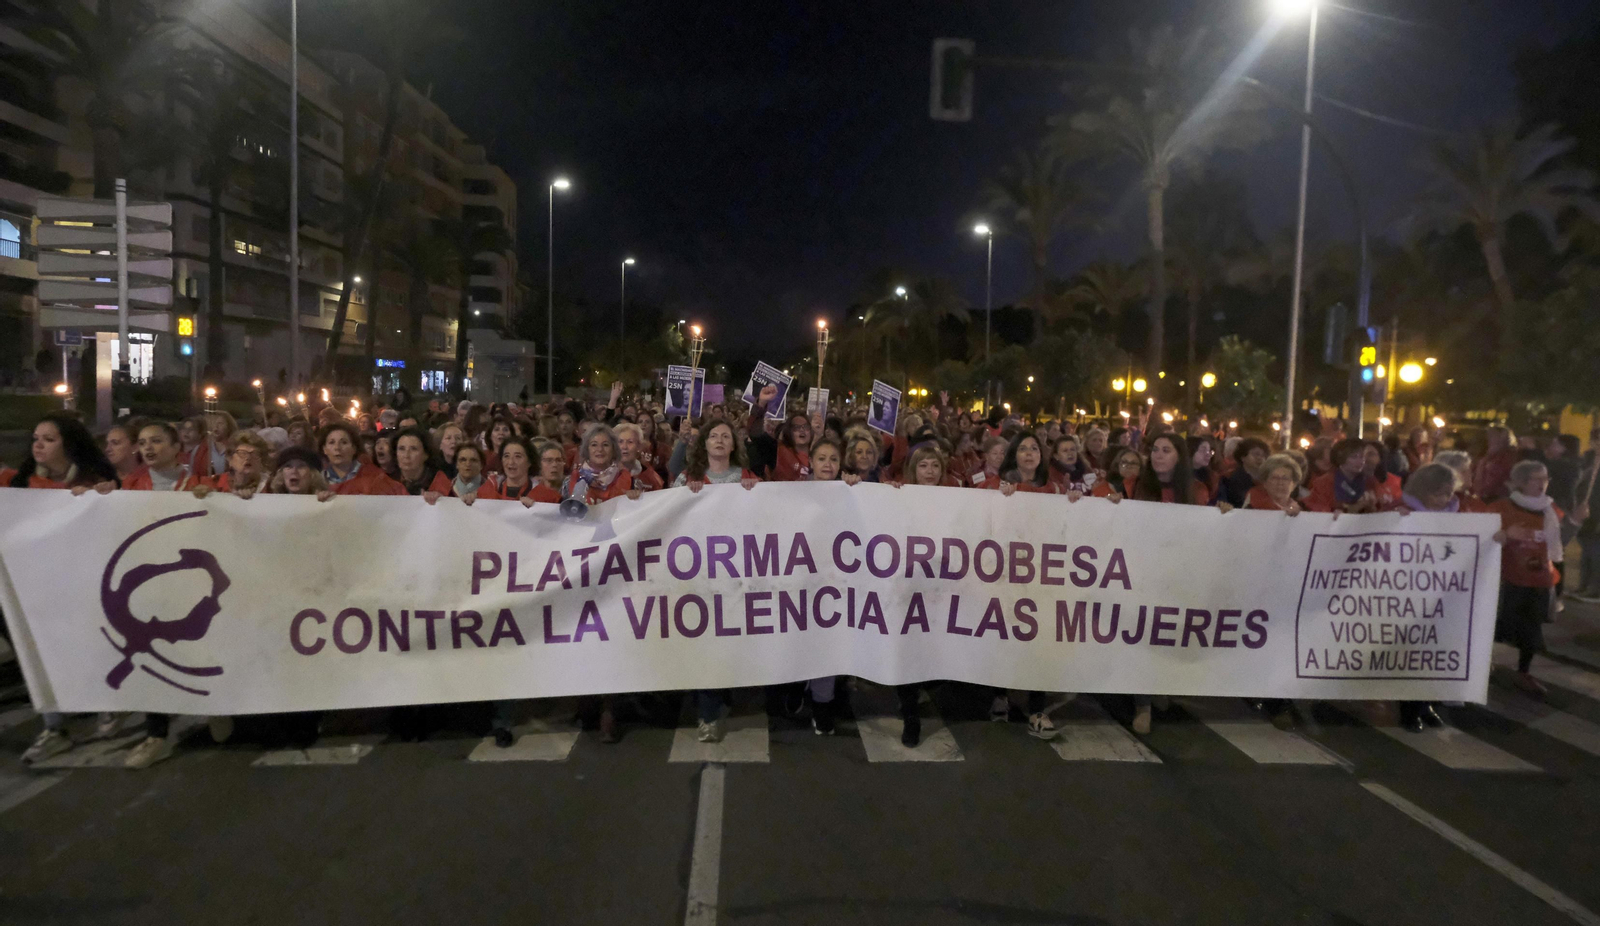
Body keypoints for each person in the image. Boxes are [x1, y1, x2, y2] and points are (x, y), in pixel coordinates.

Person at [10, 415, 119, 767]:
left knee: (93, 644)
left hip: (83, 581)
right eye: (35, 438)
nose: (38, 445)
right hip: (35, 584)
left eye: (49, 439)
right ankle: (54, 727)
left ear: (68, 444)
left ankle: (107, 701)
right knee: (40, 652)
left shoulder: (96, 482)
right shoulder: (18, 483)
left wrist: (105, 497)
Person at [673, 420, 758, 742]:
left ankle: (719, 694)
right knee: (706, 643)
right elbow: (667, 518)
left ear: (734, 445)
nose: (719, 440)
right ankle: (707, 714)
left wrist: (757, 494)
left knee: (728, 642)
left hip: (736, 576)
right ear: (704, 444)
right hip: (699, 573)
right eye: (713, 436)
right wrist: (682, 496)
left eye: (726, 436)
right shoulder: (687, 479)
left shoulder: (749, 479)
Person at [1489, 460, 1579, 697]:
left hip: (1540, 580)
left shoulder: (1551, 510)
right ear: (1521, 482)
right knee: (1497, 626)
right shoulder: (1501, 508)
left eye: (1545, 478)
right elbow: (1484, 539)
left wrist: (1575, 522)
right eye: (1536, 478)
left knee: (1532, 630)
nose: (1542, 483)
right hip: (1508, 580)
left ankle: (1524, 672)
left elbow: (1560, 543)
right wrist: (1504, 534)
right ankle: (1484, 664)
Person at [1391, 463, 1467, 731]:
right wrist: (1395, 520)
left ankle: (1426, 704)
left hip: (1442, 595)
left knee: (1434, 651)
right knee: (1412, 653)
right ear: (1423, 492)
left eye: (1448, 493)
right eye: (1438, 493)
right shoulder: (1404, 511)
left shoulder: (1458, 516)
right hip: (1409, 595)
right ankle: (1409, 709)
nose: (1444, 499)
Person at [320, 421, 405, 495]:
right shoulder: (318, 482)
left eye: (344, 442)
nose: (337, 447)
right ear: (324, 449)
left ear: (354, 448)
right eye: (331, 442)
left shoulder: (375, 478)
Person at [1305, 439, 1384, 514]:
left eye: (1362, 457)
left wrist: (1371, 506)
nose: (1360, 461)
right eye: (1354, 457)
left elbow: (1379, 511)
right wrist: (1355, 507)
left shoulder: (1370, 481)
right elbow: (1317, 510)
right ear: (1341, 458)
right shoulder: (1324, 482)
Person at [122, 423, 204, 492]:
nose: (147, 447)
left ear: (176, 447)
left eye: (156, 441)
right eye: (142, 443)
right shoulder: (132, 485)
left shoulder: (198, 483)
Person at [564, 424, 633, 505]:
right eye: (594, 445)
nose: (600, 449)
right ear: (587, 449)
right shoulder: (573, 479)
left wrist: (634, 497)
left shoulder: (627, 478)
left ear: (613, 449)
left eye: (605, 445)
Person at [995, 430, 1051, 496]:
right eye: (1022, 449)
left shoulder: (1053, 489)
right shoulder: (995, 485)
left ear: (1040, 454)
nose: (1029, 453)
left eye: (1034, 448)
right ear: (1014, 455)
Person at [615, 422, 665, 493]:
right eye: (620, 442)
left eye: (630, 442)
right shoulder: (605, 475)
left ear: (639, 446)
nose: (624, 447)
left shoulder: (649, 476)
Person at [1222, 437, 1270, 508]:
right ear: (1243, 457)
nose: (1260, 458)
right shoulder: (1231, 479)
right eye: (1256, 454)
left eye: (1263, 455)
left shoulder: (1268, 479)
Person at [1474, 426, 1519, 502]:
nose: (1489, 439)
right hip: (1484, 496)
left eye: (1493, 435)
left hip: (1498, 498)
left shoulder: (1508, 456)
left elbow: (1496, 477)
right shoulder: (1484, 454)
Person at [770, 412, 813, 481]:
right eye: (796, 427)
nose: (802, 430)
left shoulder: (818, 453)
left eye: (805, 426)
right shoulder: (781, 453)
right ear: (789, 432)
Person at [101, 422, 144, 487]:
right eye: (107, 444)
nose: (107, 449)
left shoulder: (151, 476)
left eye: (115, 443)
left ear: (135, 447)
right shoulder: (102, 477)